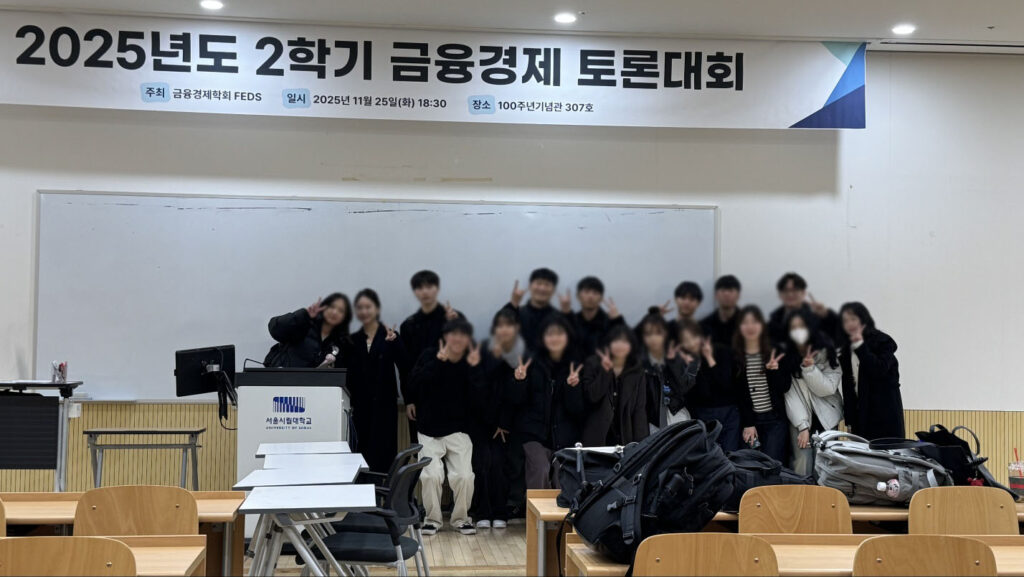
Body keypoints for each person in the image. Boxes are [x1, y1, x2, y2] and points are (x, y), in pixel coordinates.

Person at [408, 318, 483, 535]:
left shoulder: (471, 359)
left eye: (462, 335)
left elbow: (479, 397)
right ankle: (432, 520)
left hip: (459, 429)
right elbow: (413, 384)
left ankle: (461, 519)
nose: (457, 339)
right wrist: (437, 363)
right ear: (445, 336)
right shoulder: (429, 355)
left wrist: (474, 369)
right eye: (453, 334)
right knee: (430, 476)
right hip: (429, 429)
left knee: (464, 476)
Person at [507, 314, 584, 489]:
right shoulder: (531, 363)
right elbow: (515, 401)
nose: (554, 338)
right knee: (540, 468)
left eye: (559, 333)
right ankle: (536, 508)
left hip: (564, 436)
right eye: (550, 334)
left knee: (561, 473)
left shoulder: (574, 365)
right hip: (534, 435)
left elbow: (577, 409)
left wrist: (572, 387)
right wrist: (519, 381)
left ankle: (561, 508)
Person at [339, 289, 406, 474]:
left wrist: (396, 343)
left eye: (368, 307)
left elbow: (405, 367)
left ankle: (381, 491)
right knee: (360, 455)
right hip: (359, 408)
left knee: (383, 456)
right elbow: (344, 374)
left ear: (376, 309)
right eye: (360, 308)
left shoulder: (391, 336)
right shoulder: (351, 340)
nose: (364, 311)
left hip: (385, 408)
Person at [470, 305, 522, 530]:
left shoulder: (519, 354)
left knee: (500, 466)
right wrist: (492, 422)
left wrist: (502, 423)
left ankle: (500, 511)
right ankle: (482, 511)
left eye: (509, 326)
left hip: (505, 424)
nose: (504, 330)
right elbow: (476, 387)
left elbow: (515, 396)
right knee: (481, 464)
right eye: (500, 326)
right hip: (480, 422)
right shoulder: (482, 350)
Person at [398, 270, 461, 443]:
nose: (425, 291)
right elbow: (406, 367)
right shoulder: (408, 325)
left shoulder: (454, 318)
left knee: (455, 451)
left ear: (437, 289)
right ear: (415, 292)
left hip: (451, 396)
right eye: (420, 288)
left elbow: (466, 356)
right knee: (422, 451)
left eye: (429, 286)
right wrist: (409, 399)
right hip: (421, 398)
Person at [781, 309, 843, 476]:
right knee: (801, 466)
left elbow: (827, 389)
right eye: (793, 327)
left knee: (826, 468)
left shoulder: (827, 351)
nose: (797, 331)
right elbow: (790, 395)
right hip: (799, 420)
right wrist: (803, 426)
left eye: (801, 326)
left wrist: (809, 369)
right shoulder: (787, 355)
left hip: (827, 418)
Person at [838, 302, 905, 440]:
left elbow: (878, 370)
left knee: (886, 453)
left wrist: (860, 346)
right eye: (845, 321)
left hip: (885, 416)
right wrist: (850, 420)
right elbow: (848, 386)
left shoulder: (883, 342)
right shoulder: (846, 349)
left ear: (863, 319)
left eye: (853, 319)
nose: (849, 324)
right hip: (861, 418)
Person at [734, 305, 791, 463]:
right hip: (751, 420)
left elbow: (785, 387)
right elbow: (738, 394)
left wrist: (774, 371)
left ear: (762, 325)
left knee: (773, 465)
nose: (750, 326)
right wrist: (748, 423)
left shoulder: (774, 351)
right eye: (745, 322)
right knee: (750, 465)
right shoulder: (736, 355)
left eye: (754, 322)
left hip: (775, 420)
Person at [678, 319, 741, 452]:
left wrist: (709, 358)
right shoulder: (686, 359)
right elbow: (686, 391)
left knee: (731, 454)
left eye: (694, 338)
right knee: (709, 455)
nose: (691, 343)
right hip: (702, 413)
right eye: (686, 340)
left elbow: (726, 384)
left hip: (728, 411)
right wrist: (693, 366)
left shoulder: (722, 351)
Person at [581, 325, 649, 446]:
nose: (619, 345)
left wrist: (642, 446)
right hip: (596, 439)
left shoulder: (637, 371)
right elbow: (591, 396)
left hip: (624, 439)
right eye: (616, 341)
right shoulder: (593, 363)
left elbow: (639, 410)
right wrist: (605, 372)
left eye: (624, 341)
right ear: (609, 343)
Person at [637, 308, 692, 431]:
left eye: (658, 333)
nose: (653, 338)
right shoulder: (641, 363)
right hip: (652, 421)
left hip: (676, 414)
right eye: (649, 334)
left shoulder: (677, 356)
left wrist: (673, 363)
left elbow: (684, 388)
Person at [265, 293, 352, 368]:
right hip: (282, 378)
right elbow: (275, 329)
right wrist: (304, 315)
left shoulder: (339, 344)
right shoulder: (304, 323)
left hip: (311, 382)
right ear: (324, 306)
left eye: (341, 311)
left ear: (345, 317)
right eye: (332, 307)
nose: (335, 312)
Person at [768, 272, 839, 345]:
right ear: (779, 294)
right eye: (785, 290)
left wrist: (826, 316)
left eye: (795, 290)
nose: (790, 294)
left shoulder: (816, 316)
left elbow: (838, 336)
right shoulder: (774, 321)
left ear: (804, 293)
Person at [565, 276, 626, 358]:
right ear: (578, 296)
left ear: (601, 298)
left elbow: (626, 343)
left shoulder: (610, 322)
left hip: (604, 365)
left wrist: (617, 320)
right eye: (586, 292)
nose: (590, 296)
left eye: (595, 293)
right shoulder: (572, 320)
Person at [509, 268, 559, 352]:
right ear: (530, 286)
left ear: (554, 290)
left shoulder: (559, 317)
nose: (542, 288)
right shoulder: (517, 312)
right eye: (539, 283)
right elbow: (501, 335)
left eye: (547, 284)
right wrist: (514, 304)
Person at [701, 275, 742, 347]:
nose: (726, 294)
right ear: (716, 295)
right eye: (723, 290)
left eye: (731, 290)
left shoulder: (746, 323)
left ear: (738, 295)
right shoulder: (704, 324)